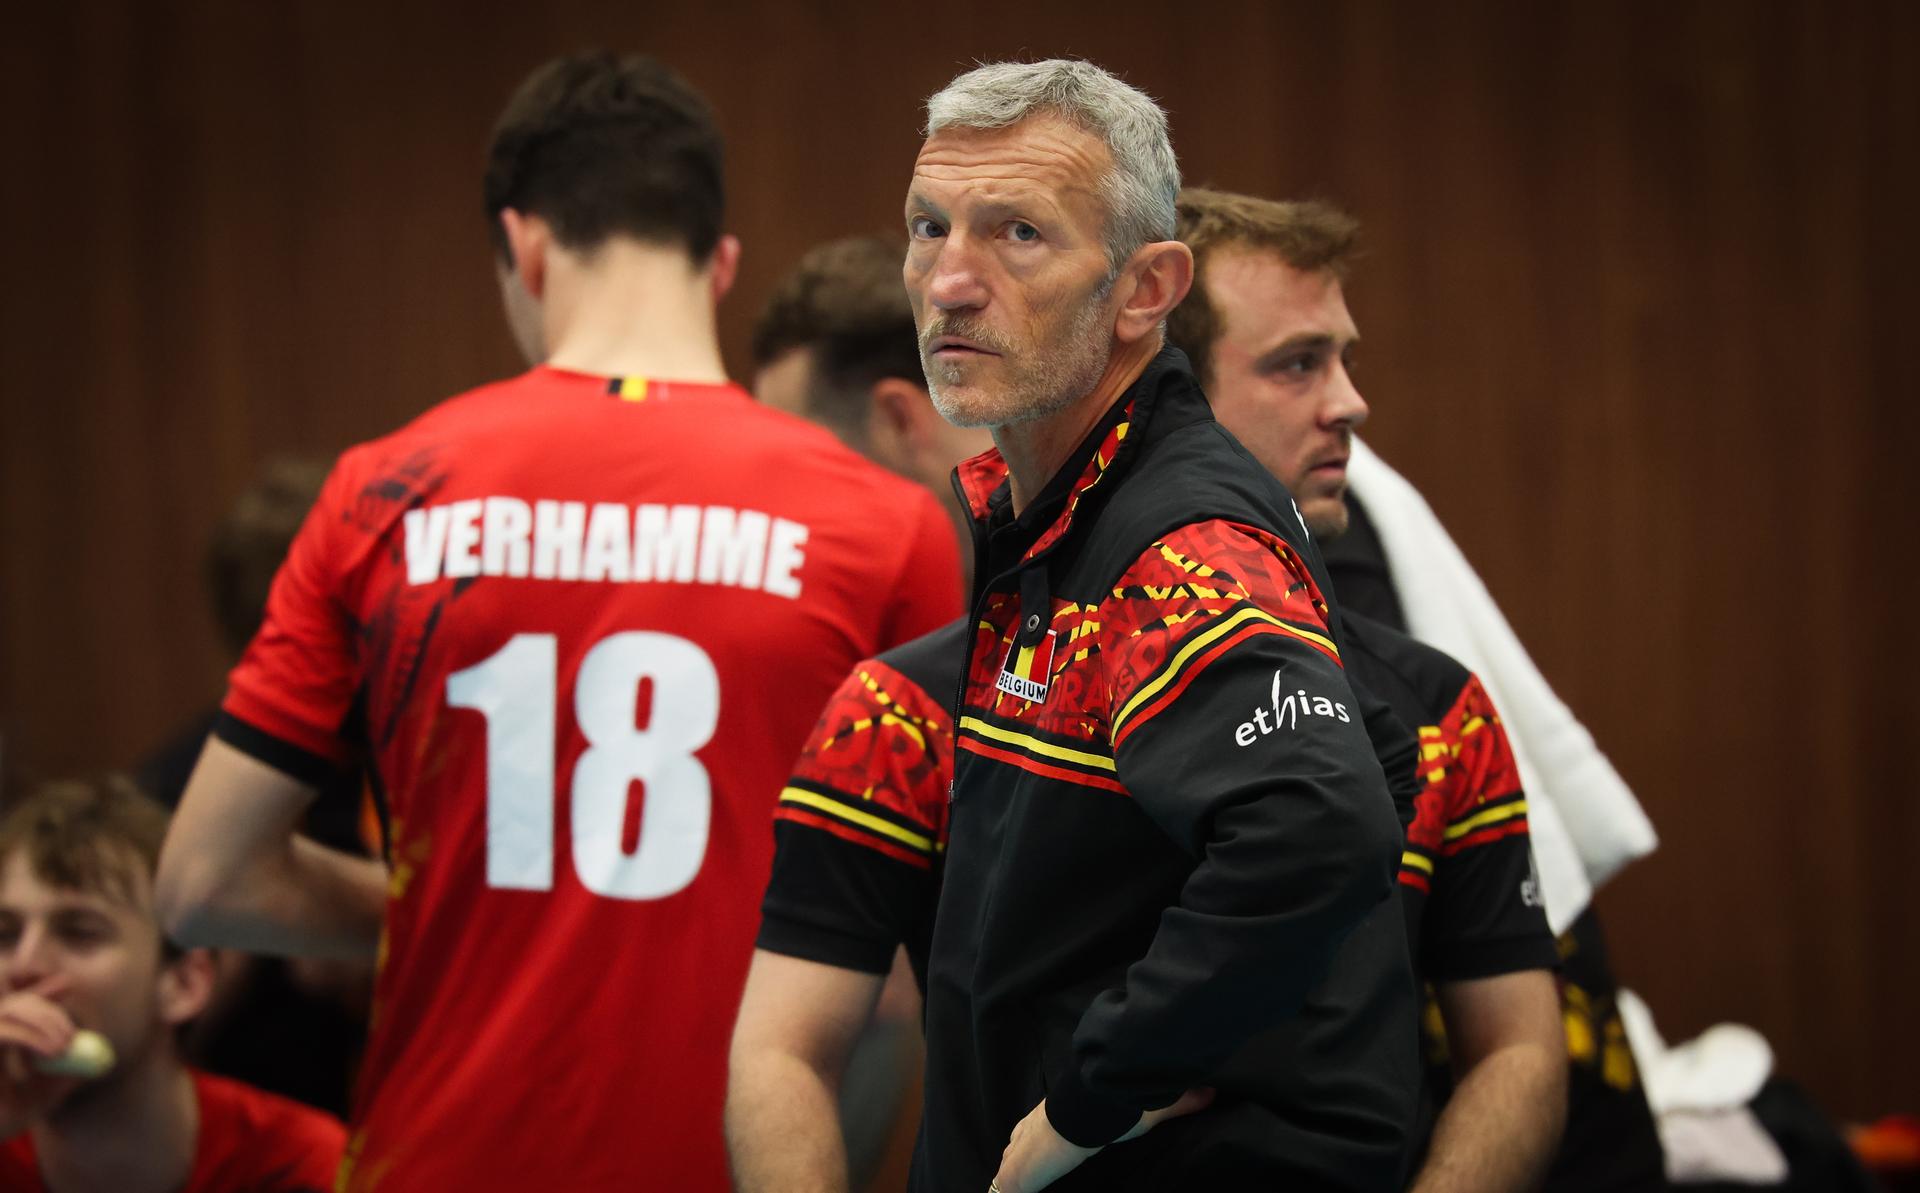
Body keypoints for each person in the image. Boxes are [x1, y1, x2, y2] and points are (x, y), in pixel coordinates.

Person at [153, 51, 960, 1191]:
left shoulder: (385, 491)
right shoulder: (884, 525)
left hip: (440, 1156)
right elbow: (950, 914)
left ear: (524, 246)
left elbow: (199, 882)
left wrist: (429, 899)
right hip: (731, 1160)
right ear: (719, 262)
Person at [892, 60, 1414, 1193]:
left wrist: (1102, 1083)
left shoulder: (1174, 532)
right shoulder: (1060, 502)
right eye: (930, 228)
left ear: (1145, 290)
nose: (949, 282)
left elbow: (1324, 824)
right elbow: (1382, 738)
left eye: (1018, 233)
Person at [1166, 187, 1567, 1193]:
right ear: (1163, 394)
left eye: (1344, 358)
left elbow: (1518, 1051)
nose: (1350, 401)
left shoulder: (1436, 711)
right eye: (1299, 362)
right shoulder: (991, 689)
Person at [0, 776, 345, 1192]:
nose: (23, 965)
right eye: (5, 934)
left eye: (80, 933)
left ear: (184, 984)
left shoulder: (302, 1167)